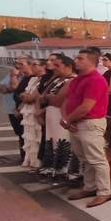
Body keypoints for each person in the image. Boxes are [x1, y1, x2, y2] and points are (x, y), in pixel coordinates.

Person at [63, 48, 111, 208]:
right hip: (76, 123)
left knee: (97, 159)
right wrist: (67, 119)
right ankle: (90, 187)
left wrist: (68, 119)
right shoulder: (77, 80)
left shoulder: (96, 80)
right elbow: (68, 100)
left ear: (91, 61)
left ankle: (104, 192)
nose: (75, 61)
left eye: (80, 58)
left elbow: (86, 107)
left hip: (91, 123)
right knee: (85, 158)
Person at [40, 55, 80, 184]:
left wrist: (49, 97)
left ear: (68, 66)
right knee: (53, 142)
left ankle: (65, 171)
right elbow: (42, 96)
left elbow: (58, 100)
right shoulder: (57, 79)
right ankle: (54, 169)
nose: (54, 68)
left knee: (63, 142)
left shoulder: (72, 79)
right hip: (51, 116)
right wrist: (49, 97)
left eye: (57, 65)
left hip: (61, 115)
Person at [18, 59, 45, 169]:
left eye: (35, 65)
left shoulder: (43, 80)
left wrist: (26, 97)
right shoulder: (32, 79)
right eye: (31, 64)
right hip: (28, 112)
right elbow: (23, 94)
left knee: (37, 136)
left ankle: (37, 162)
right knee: (29, 136)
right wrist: (25, 97)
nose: (32, 67)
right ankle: (30, 160)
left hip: (35, 110)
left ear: (43, 67)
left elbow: (31, 97)